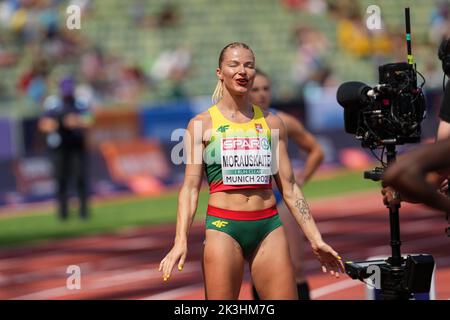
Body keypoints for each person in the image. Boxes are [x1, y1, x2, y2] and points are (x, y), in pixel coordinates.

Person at [158, 42, 344, 300]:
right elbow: (190, 189)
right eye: (233, 64)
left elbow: (289, 187)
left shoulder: (271, 123)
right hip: (224, 227)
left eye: (248, 65)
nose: (242, 71)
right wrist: (180, 240)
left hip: (268, 226)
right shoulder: (201, 125)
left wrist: (315, 237)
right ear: (219, 72)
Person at [249, 69, 324, 299]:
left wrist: (300, 179)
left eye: (266, 89)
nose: (262, 94)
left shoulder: (282, 120)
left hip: (282, 200)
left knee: (294, 265)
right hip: (252, 200)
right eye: (255, 89)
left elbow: (316, 151)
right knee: (258, 270)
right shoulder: (234, 123)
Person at [38, 76, 93, 221]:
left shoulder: (80, 103)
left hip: (76, 146)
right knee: (61, 179)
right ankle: (62, 213)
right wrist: (61, 123)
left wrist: (77, 122)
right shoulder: (53, 104)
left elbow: (89, 121)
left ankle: (83, 212)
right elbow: (44, 124)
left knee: (80, 178)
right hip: (60, 147)